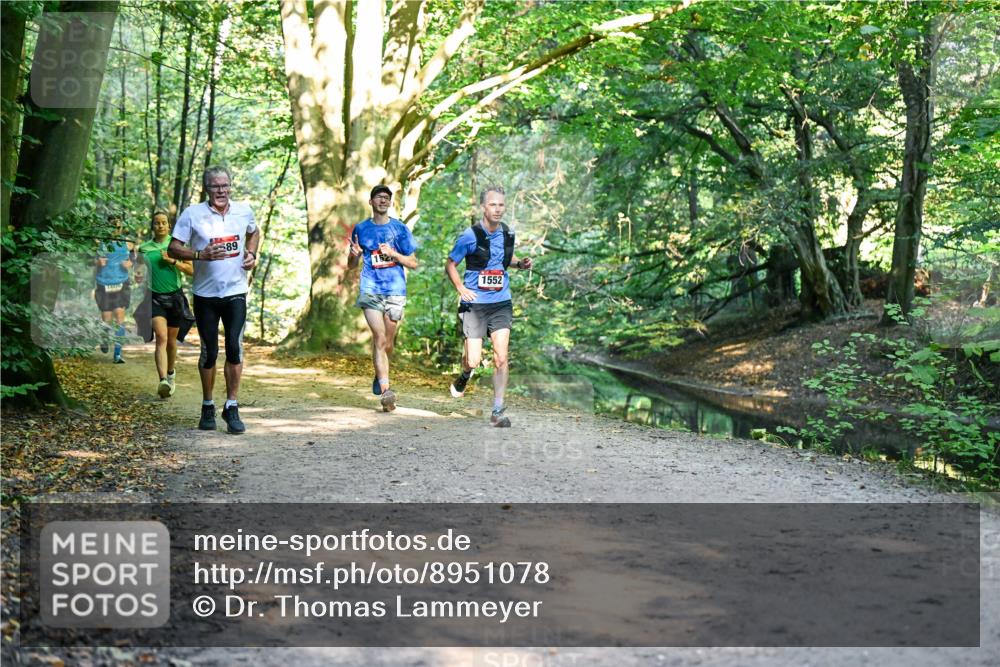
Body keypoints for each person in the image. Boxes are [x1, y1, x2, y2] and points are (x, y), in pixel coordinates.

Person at [169, 167, 260, 434]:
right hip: (206, 294)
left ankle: (232, 406)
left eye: (225, 185)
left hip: (235, 291)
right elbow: (173, 247)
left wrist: (251, 254)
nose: (221, 191)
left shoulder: (243, 210)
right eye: (215, 186)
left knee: (234, 346)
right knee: (209, 352)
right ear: (206, 188)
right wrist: (200, 255)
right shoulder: (192, 214)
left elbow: (254, 232)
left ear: (231, 186)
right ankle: (208, 405)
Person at [445, 186, 532, 427]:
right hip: (475, 305)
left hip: (501, 302)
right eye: (493, 204)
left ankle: (497, 410)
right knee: (472, 360)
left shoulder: (508, 234)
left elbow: (504, 260)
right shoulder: (469, 236)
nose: (497, 209)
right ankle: (465, 375)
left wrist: (519, 264)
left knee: (501, 357)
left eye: (501, 205)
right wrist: (461, 288)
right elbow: (451, 264)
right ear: (483, 207)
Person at [347, 185, 418, 412]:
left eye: (386, 198)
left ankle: (380, 374)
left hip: (396, 291)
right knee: (378, 337)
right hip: (371, 288)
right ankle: (387, 392)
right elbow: (351, 265)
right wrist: (354, 255)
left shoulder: (400, 229)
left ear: (390, 203)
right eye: (378, 197)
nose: (383, 201)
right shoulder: (361, 229)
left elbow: (413, 263)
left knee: (387, 342)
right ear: (371, 202)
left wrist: (394, 254)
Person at [137, 211, 194, 399]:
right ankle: (162, 380)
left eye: (163, 223)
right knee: (161, 337)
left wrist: (173, 261)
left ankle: (171, 374)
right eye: (156, 223)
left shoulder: (176, 246)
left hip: (175, 298)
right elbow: (140, 270)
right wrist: (139, 275)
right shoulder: (144, 248)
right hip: (154, 297)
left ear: (169, 226)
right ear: (152, 226)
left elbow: (191, 270)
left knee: (171, 341)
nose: (160, 226)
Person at [95, 215, 134, 364]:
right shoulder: (100, 243)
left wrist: (130, 263)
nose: (115, 230)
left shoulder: (128, 243)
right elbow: (90, 261)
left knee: (119, 317)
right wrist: (97, 261)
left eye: (118, 227)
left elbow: (134, 259)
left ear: (122, 227)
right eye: (112, 226)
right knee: (106, 319)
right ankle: (104, 338)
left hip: (121, 283)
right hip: (103, 283)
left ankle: (117, 354)